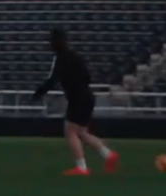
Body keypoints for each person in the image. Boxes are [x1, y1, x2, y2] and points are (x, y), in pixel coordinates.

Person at [33, 28, 120, 176]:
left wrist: (38, 93)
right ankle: (108, 155)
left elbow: (52, 80)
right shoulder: (76, 56)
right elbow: (87, 76)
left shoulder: (60, 58)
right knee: (81, 132)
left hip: (77, 98)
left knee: (70, 131)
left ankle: (82, 167)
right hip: (88, 96)